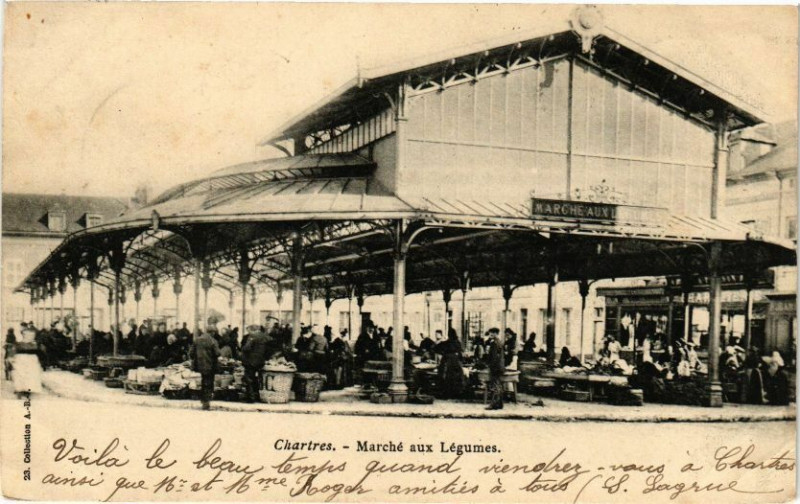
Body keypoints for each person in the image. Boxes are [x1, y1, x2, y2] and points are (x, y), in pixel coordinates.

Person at [190, 318, 221, 410]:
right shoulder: (213, 341)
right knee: (208, 383)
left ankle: (203, 399)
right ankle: (206, 402)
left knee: (204, 382)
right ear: (212, 333)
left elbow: (191, 353)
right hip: (210, 365)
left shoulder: (197, 340)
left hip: (200, 366)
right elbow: (217, 353)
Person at [241, 325, 274, 402]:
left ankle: (251, 398)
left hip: (251, 361)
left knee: (248, 378)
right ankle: (258, 396)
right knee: (256, 379)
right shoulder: (265, 336)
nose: (248, 332)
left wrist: (242, 348)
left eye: (249, 330)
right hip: (261, 361)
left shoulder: (252, 336)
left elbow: (247, 348)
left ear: (252, 330)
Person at [434, 328, 465, 399]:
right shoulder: (457, 342)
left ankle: (446, 393)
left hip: (448, 361)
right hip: (456, 362)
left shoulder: (447, 342)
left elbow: (436, 348)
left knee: (446, 377)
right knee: (455, 378)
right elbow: (460, 353)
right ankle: (455, 393)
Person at [12, 328, 43, 396]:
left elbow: (40, 353)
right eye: (29, 335)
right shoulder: (19, 344)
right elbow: (13, 351)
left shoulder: (35, 344)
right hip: (20, 360)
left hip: (32, 360)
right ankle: (20, 389)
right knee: (20, 373)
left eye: (32, 336)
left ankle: (28, 389)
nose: (31, 337)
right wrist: (12, 358)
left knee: (31, 374)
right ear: (24, 335)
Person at [486, 327, 505, 410]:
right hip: (500, 366)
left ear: (496, 334)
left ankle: (493, 405)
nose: (490, 334)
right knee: (499, 386)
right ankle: (500, 404)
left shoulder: (494, 343)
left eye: (493, 333)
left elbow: (493, 357)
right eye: (490, 332)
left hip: (495, 367)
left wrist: (491, 366)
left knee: (494, 386)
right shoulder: (499, 342)